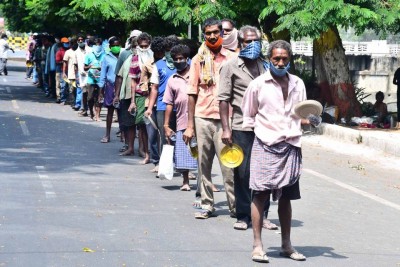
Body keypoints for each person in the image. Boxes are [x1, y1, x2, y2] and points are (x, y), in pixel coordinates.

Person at [241, 40, 307, 263]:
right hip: (265, 144)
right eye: (276, 59)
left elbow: (302, 114)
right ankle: (257, 245)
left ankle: (286, 244)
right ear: (269, 59)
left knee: (287, 198)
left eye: (284, 59)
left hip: (291, 146)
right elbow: (248, 116)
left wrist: (311, 120)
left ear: (290, 59)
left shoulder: (298, 83)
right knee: (260, 194)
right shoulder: (258, 84)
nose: (280, 62)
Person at [219, 25, 277, 231]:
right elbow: (224, 99)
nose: (251, 45)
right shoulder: (231, 66)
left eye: (255, 41)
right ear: (239, 43)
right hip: (241, 126)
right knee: (243, 173)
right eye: (246, 42)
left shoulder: (267, 65)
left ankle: (264, 215)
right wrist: (226, 129)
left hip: (267, 127)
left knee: (267, 171)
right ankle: (243, 215)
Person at [183, 17, 236, 219]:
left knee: (229, 165)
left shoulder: (233, 58)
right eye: (208, 33)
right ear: (204, 35)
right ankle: (207, 204)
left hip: (226, 119)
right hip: (202, 116)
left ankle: (235, 207)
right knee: (203, 164)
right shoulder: (198, 59)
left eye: (216, 32)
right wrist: (189, 126)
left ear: (222, 33)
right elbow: (192, 92)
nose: (212, 36)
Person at [163, 44, 198, 191]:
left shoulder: (197, 74)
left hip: (199, 119)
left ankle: (206, 183)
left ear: (187, 59)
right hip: (181, 120)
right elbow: (169, 103)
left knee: (203, 153)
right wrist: (166, 125)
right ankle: (185, 182)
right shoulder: (172, 79)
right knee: (184, 152)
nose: (178, 61)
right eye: (175, 59)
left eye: (181, 58)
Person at [145, 36, 180, 156]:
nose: (170, 53)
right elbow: (154, 88)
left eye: (172, 50)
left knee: (182, 135)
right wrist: (150, 108)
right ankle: (165, 166)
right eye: (167, 50)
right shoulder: (159, 65)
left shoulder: (187, 64)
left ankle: (184, 167)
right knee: (165, 135)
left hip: (181, 107)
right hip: (162, 106)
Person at [128, 33, 154, 163]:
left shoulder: (155, 57)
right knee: (142, 124)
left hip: (154, 94)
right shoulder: (134, 59)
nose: (144, 48)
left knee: (154, 125)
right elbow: (133, 82)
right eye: (141, 45)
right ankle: (146, 154)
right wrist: (132, 101)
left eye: (146, 45)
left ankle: (155, 154)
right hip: (140, 95)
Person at [98, 36, 121, 143]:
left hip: (122, 87)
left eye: (118, 45)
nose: (116, 47)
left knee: (122, 112)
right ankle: (107, 134)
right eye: (114, 45)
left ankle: (123, 135)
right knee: (110, 111)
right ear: (110, 46)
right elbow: (102, 76)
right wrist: (100, 92)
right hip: (110, 86)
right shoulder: (106, 58)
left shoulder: (124, 56)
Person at [84, 37, 105, 121]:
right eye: (96, 44)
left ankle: (98, 115)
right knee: (90, 98)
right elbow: (84, 67)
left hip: (101, 79)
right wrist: (90, 66)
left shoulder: (104, 55)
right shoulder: (89, 55)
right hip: (91, 79)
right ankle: (92, 113)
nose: (98, 46)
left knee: (100, 97)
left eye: (99, 44)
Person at [75, 34, 92, 115]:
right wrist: (76, 76)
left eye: (82, 39)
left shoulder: (90, 50)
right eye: (79, 40)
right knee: (84, 93)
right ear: (77, 41)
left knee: (91, 93)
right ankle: (84, 109)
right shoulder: (76, 52)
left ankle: (92, 110)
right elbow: (75, 64)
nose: (80, 41)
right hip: (81, 75)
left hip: (91, 74)